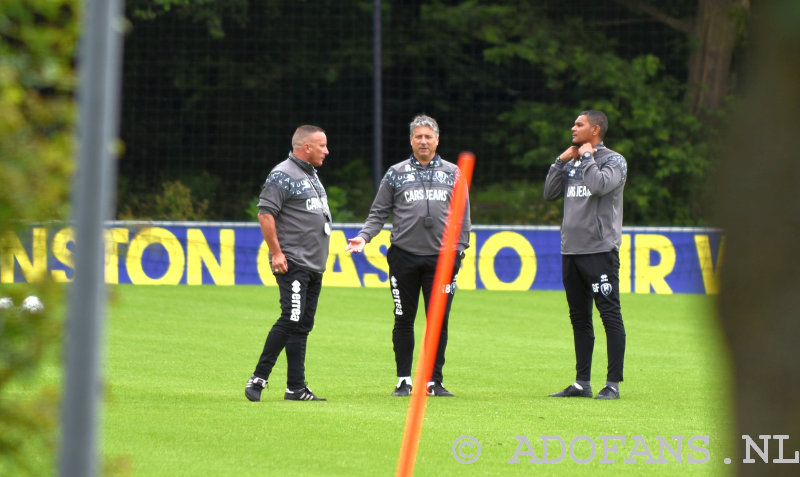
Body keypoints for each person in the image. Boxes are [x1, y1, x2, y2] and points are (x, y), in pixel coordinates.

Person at [345, 114, 471, 397]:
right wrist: (364, 237)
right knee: (403, 317)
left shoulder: (453, 173)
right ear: (411, 140)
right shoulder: (395, 173)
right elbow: (378, 212)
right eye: (418, 136)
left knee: (437, 320)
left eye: (428, 137)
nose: (423, 141)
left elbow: (463, 216)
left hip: (441, 259)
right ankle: (404, 379)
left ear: (437, 140)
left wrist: (459, 250)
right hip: (403, 257)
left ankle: (433, 381)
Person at [543, 110, 627, 400]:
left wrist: (588, 157)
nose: (573, 127)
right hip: (571, 250)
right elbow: (549, 192)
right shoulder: (572, 161)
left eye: (579, 124)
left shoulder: (613, 161)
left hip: (599, 250)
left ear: (596, 129)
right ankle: (582, 382)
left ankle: (613, 384)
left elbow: (599, 185)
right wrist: (560, 161)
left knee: (609, 315)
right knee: (579, 318)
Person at [245, 125, 332, 402]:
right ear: (306, 148)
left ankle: (295, 387)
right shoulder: (283, 174)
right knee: (291, 318)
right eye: (322, 146)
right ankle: (258, 378)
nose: (327, 151)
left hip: (312, 264)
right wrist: (277, 253)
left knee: (303, 324)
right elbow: (266, 213)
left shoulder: (311, 175)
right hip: (293, 261)